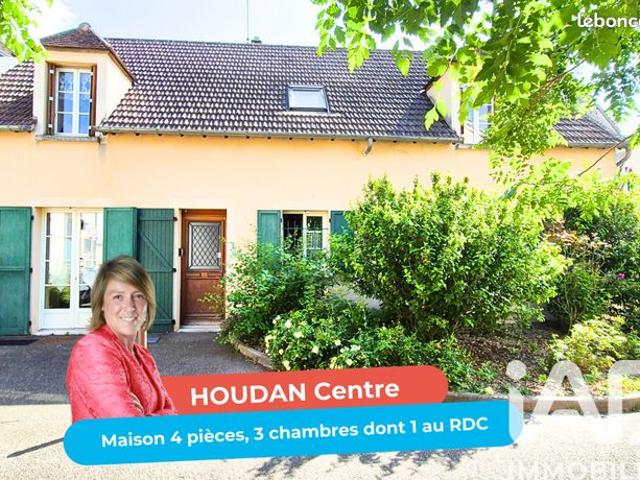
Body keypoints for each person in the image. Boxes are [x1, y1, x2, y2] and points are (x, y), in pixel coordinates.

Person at [66, 256, 176, 422]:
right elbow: (128, 428)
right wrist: (159, 415)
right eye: (118, 297)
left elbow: (172, 413)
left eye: (138, 296)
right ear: (101, 303)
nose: (130, 307)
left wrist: (147, 416)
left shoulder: (142, 354)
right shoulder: (92, 350)